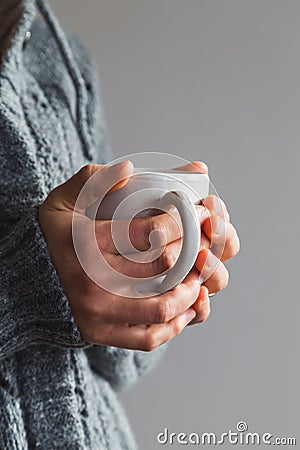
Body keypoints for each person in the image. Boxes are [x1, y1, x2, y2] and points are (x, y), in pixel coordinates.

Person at [0, 0, 240, 449]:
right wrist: (22, 286)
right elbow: (40, 292)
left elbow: (110, 367)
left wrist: (154, 283)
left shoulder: (59, 56)